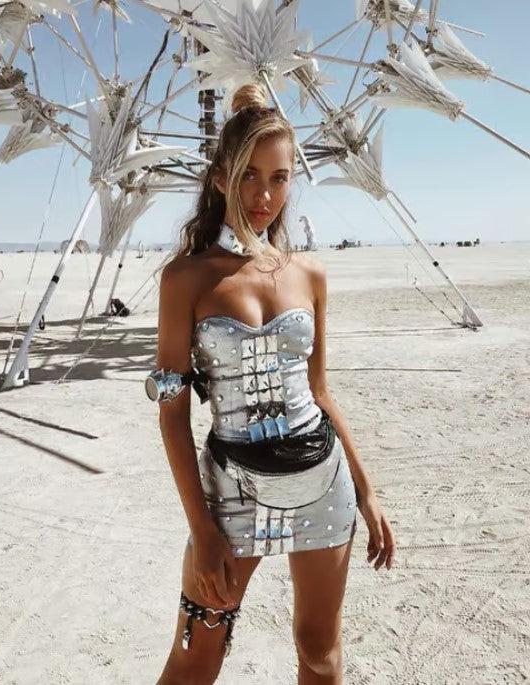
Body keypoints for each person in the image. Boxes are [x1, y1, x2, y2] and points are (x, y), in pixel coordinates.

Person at [147, 85, 395, 684]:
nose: (264, 195)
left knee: (318, 651)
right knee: (197, 655)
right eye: (250, 175)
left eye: (280, 178)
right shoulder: (186, 279)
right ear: (219, 177)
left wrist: (366, 490)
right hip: (231, 490)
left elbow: (320, 394)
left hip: (322, 483)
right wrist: (202, 530)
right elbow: (172, 416)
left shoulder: (308, 273)